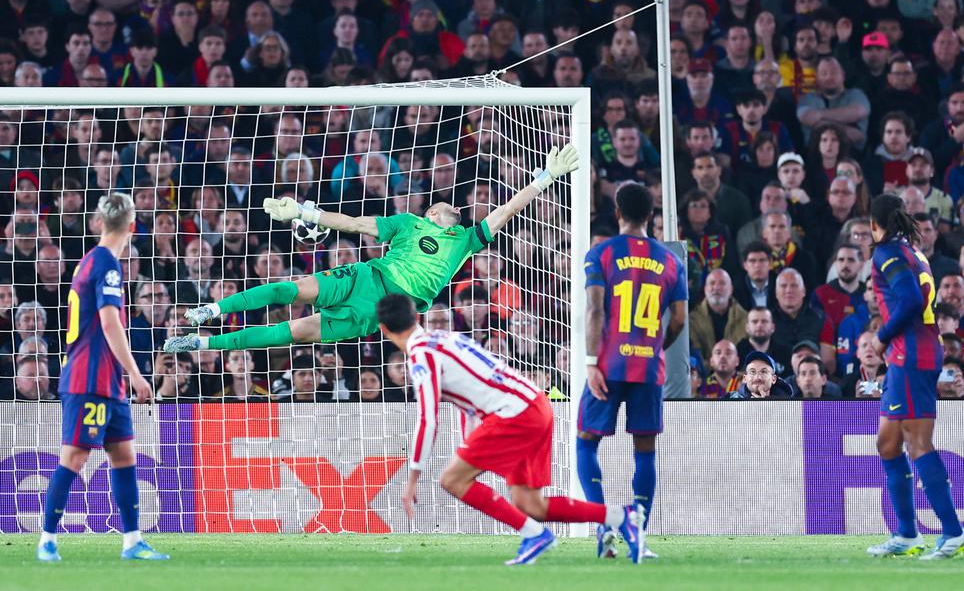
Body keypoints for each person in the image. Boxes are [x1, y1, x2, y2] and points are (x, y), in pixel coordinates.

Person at [163, 144, 581, 352]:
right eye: (444, 203)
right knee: (289, 290)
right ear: (433, 212)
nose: (454, 205)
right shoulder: (408, 223)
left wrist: (546, 177)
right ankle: (210, 311)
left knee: (293, 332)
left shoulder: (468, 240)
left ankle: (200, 344)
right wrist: (303, 213)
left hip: (383, 308)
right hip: (366, 274)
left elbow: (506, 210)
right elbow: (356, 223)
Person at [376, 293, 645, 566]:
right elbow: (467, 398)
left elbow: (427, 418)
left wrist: (412, 479)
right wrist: (472, 443)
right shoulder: (447, 337)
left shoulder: (421, 353)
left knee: (452, 479)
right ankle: (622, 518)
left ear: (383, 329)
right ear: (417, 317)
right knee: (531, 506)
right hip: (535, 404)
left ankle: (535, 535)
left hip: (514, 414)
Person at [37, 193, 167, 563]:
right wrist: (138, 375)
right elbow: (110, 324)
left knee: (124, 457)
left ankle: (132, 541)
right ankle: (47, 539)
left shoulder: (88, 261)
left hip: (107, 381)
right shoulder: (107, 264)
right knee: (75, 457)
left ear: (98, 222)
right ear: (132, 226)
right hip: (89, 378)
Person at [579, 183, 687, 561]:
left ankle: (603, 525)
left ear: (617, 212)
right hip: (648, 367)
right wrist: (655, 348)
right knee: (645, 451)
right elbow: (678, 320)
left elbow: (595, 310)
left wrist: (592, 362)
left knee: (585, 441)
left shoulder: (601, 254)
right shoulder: (672, 260)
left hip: (608, 364)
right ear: (651, 216)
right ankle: (638, 532)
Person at [865, 193, 964, 560]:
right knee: (887, 444)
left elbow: (909, 300)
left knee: (917, 443)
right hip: (913, 351)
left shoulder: (887, 253)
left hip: (911, 353)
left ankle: (953, 531)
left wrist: (881, 337)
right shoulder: (912, 251)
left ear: (874, 223)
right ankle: (908, 534)